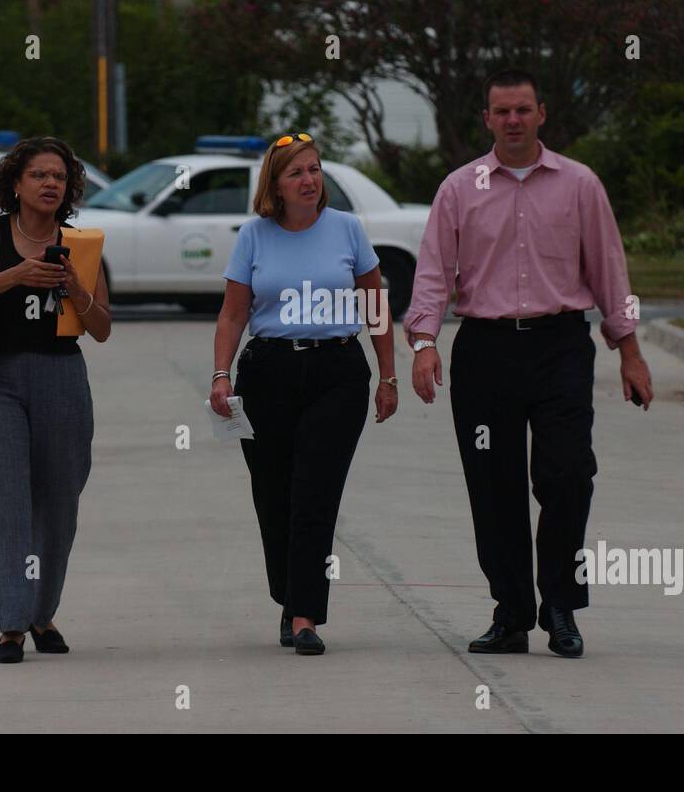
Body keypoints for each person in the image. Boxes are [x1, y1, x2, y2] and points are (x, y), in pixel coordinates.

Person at [403, 69, 654, 659]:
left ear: (542, 113)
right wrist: (423, 343)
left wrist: (630, 352)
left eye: (522, 110)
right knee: (494, 486)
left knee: (568, 476)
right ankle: (512, 613)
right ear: (487, 120)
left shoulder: (580, 185)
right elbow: (434, 272)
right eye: (501, 112)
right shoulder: (459, 189)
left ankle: (560, 605)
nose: (513, 120)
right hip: (485, 353)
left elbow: (609, 271)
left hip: (560, 347)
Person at [210, 133, 398, 655]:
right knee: (274, 498)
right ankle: (289, 598)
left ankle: (305, 616)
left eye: (314, 170)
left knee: (315, 493)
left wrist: (387, 376)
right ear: (275, 184)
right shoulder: (254, 235)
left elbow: (375, 303)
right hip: (267, 372)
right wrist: (220, 375)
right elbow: (232, 314)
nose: (309, 180)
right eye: (296, 173)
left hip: (337, 371)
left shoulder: (348, 230)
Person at [0, 136, 111, 664]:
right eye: (39, 175)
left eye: (59, 177)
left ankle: (43, 613)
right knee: (6, 500)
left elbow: (102, 328)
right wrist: (15, 275)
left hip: (62, 374)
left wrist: (75, 288)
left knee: (59, 502)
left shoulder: (80, 244)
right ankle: (11, 624)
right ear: (15, 184)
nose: (50, 184)